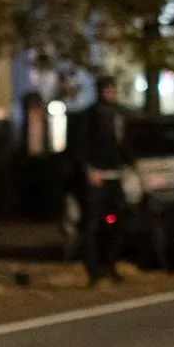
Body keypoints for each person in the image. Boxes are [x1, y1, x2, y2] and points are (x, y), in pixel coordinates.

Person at [67, 76, 132, 284]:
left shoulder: (120, 114)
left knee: (119, 223)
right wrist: (89, 169)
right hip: (97, 175)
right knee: (91, 225)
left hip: (116, 174)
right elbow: (80, 146)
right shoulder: (90, 115)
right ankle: (94, 271)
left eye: (112, 90)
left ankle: (110, 265)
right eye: (107, 90)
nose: (110, 93)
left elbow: (125, 144)